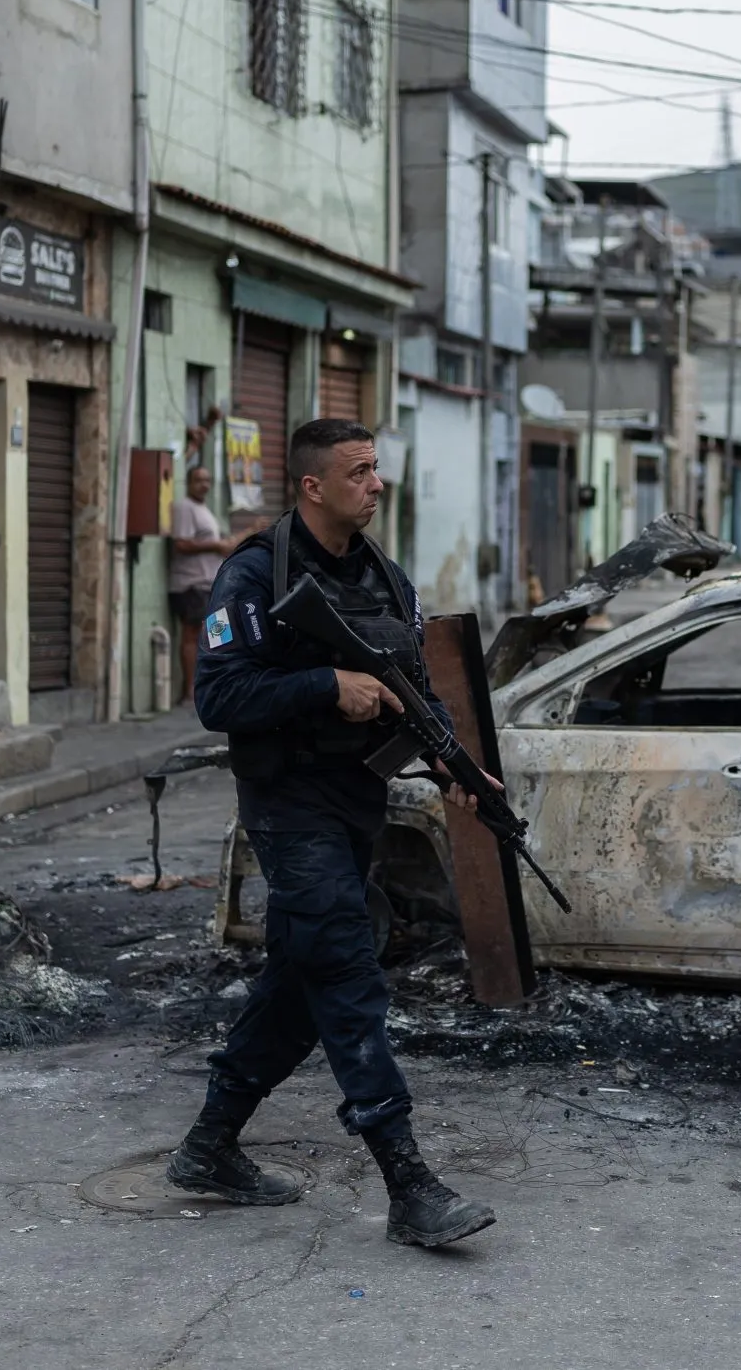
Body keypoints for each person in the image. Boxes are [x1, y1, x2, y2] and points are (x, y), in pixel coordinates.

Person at [169, 417, 499, 1249]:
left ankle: (208, 1148)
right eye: (359, 471)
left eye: (377, 469)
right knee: (347, 970)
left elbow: (415, 694)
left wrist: (459, 770)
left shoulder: (386, 579)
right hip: (288, 807)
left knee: (298, 983)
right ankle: (408, 1180)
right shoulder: (254, 574)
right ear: (313, 486)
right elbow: (218, 698)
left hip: (356, 805)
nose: (376, 484)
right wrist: (324, 685)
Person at [169, 463, 239, 704]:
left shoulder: (204, 509)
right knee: (194, 634)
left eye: (207, 480)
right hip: (191, 583)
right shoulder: (184, 508)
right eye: (199, 480)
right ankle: (189, 691)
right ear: (188, 483)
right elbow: (181, 543)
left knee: (216, 634)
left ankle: (209, 686)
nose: (204, 485)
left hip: (209, 582)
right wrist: (216, 545)